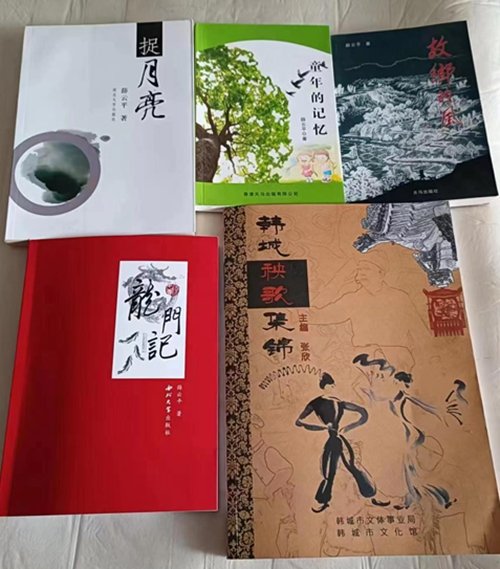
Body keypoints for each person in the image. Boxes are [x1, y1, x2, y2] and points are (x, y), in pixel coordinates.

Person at [295, 372, 376, 513]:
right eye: (330, 385)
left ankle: (369, 495)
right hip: (334, 439)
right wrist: (322, 427)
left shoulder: (339, 402)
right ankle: (325, 500)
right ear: (325, 386)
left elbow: (363, 413)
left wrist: (349, 427)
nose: (333, 387)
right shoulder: (316, 403)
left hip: (338, 439)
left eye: (333, 385)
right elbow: (299, 421)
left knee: (347, 467)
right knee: (330, 470)